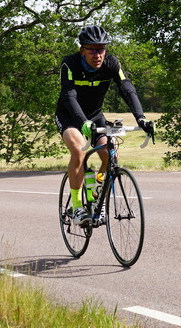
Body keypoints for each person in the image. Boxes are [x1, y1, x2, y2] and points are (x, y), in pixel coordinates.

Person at [56, 25, 154, 227]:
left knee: (111, 155)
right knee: (79, 151)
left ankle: (96, 194)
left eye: (102, 49)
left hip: (95, 116)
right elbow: (69, 96)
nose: (98, 54)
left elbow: (127, 89)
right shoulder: (70, 64)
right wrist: (83, 122)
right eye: (92, 49)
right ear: (82, 49)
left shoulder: (111, 63)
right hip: (70, 116)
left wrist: (141, 118)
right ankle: (76, 207)